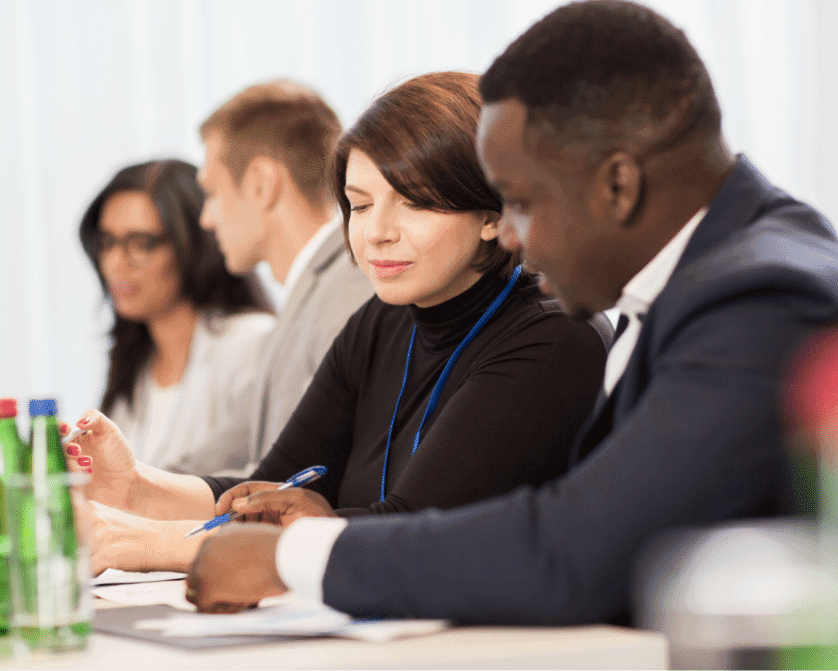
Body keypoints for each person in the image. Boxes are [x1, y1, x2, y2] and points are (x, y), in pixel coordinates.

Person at [183, 0, 838, 624]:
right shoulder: (723, 270)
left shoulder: (759, 303)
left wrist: (296, 555)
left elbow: (574, 548)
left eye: (521, 202)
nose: (510, 236)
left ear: (616, 186)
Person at [67, 71, 611, 574]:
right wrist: (136, 487)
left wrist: (145, 543)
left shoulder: (553, 338)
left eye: (413, 204)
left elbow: (409, 530)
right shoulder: (383, 319)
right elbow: (276, 483)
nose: (377, 233)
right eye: (361, 205)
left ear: (492, 215)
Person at [196, 80, 375, 465]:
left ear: (261, 185)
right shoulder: (307, 295)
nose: (206, 218)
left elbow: (307, 471)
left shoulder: (350, 289)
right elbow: (226, 452)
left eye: (212, 192)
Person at [79, 159, 274, 475]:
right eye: (107, 242)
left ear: (193, 244)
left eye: (141, 244)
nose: (114, 263)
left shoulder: (251, 343)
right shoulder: (135, 364)